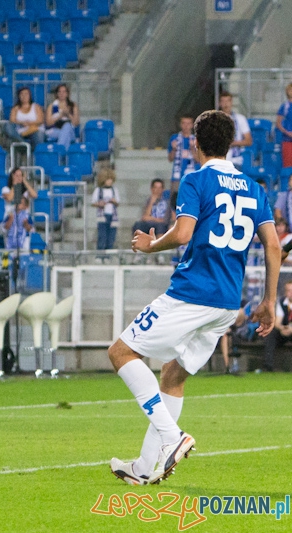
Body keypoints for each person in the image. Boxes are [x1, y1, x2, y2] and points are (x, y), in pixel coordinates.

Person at [108, 109, 279, 487]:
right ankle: (144, 467)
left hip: (192, 293)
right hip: (226, 304)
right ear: (230, 144)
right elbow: (273, 246)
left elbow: (184, 233)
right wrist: (269, 300)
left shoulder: (196, 179)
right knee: (173, 374)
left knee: (120, 352)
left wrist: (151, 244)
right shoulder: (255, 188)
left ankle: (173, 437)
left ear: (195, 144)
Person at [263, 280, 292, 373]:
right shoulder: (282, 302)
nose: (290, 293)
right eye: (288, 290)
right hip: (284, 331)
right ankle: (268, 365)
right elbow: (277, 322)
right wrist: (282, 328)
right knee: (271, 333)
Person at [218, 91, 252, 170]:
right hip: (219, 160)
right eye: (223, 101)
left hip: (235, 161)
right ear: (220, 103)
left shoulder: (240, 119)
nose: (226, 104)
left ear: (231, 102)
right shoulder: (214, 120)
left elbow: (248, 141)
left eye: (228, 101)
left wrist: (233, 143)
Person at [167, 115, 197, 202]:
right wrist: (174, 149)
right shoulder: (174, 138)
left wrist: (192, 148)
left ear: (192, 125)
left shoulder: (196, 140)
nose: (186, 126)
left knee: (190, 200)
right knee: (174, 202)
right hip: (177, 177)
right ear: (180, 124)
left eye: (188, 123)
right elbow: (170, 159)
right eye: (184, 123)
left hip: (191, 177)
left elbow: (199, 160)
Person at [91, 167, 120, 251]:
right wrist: (99, 204)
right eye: (108, 179)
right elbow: (93, 202)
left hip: (112, 216)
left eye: (111, 179)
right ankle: (100, 254)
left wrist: (114, 201)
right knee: (102, 236)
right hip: (102, 216)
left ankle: (108, 254)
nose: (110, 181)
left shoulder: (114, 190)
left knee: (111, 237)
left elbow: (117, 202)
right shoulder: (98, 190)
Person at [45, 84, 79, 149]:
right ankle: (64, 153)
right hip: (55, 130)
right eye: (59, 92)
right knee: (66, 135)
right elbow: (48, 123)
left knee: (67, 126)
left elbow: (76, 123)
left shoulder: (73, 105)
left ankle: (59, 150)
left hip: (70, 130)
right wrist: (60, 116)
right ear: (57, 94)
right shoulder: (51, 106)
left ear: (67, 94)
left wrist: (68, 114)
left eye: (64, 92)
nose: (61, 94)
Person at [277, 83, 292, 169]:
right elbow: (278, 123)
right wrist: (287, 133)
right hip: (287, 140)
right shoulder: (285, 106)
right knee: (288, 167)